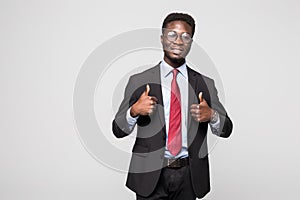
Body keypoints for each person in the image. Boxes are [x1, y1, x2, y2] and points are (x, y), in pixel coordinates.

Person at [112, 12, 233, 200]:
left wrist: (213, 116)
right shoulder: (140, 81)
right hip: (150, 176)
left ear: (191, 43)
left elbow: (227, 129)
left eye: (186, 37)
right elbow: (118, 130)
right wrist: (134, 111)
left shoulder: (204, 84)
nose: (178, 41)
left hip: (189, 176)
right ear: (162, 39)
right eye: (172, 34)